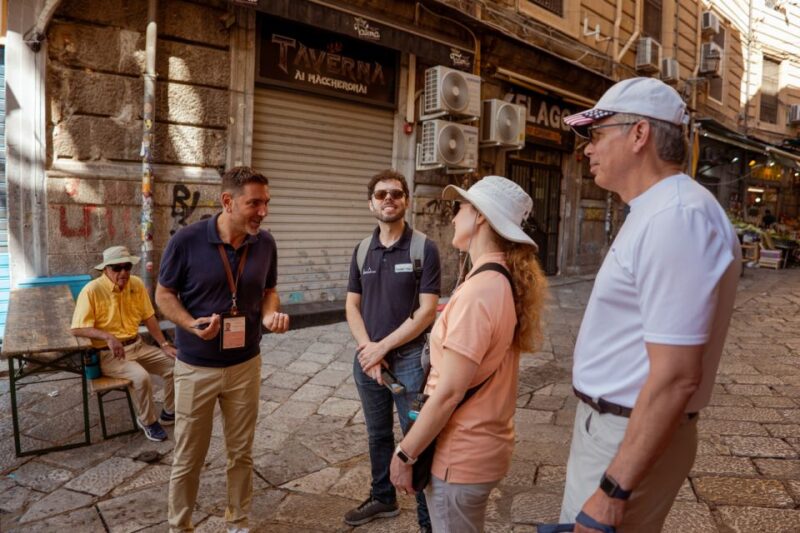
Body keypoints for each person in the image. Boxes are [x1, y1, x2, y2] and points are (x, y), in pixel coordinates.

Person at [556, 77, 741, 532]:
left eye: (597, 135)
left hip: (625, 435)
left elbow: (677, 375)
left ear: (639, 134)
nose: (587, 149)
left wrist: (614, 489)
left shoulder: (676, 218)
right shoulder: (659, 210)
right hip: (617, 428)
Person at [389, 175, 547, 533]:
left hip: (459, 456)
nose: (453, 216)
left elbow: (448, 393)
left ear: (480, 217)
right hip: (480, 447)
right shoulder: (497, 279)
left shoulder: (480, 292)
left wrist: (405, 453)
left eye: (460, 207)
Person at [156, 166, 290, 533]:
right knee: (188, 456)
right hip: (196, 367)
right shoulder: (186, 240)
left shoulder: (266, 243)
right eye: (255, 203)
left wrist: (268, 315)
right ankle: (180, 526)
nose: (263, 211)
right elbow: (164, 294)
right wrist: (189, 324)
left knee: (241, 453)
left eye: (266, 203)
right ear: (228, 201)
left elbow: (269, 291)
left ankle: (237, 522)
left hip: (245, 364)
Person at [343, 169, 441, 532]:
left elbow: (427, 310)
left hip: (410, 362)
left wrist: (382, 347)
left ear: (406, 201)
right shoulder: (362, 250)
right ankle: (383, 496)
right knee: (377, 434)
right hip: (369, 363)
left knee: (416, 437)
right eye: (381, 194)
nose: (389, 199)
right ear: (371, 203)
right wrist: (369, 351)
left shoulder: (423, 248)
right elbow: (352, 305)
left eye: (396, 194)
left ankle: (426, 519)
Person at [71, 245, 176, 442]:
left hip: (137, 345)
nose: (123, 273)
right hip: (111, 354)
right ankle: (148, 421)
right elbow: (77, 328)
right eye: (116, 268)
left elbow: (150, 317)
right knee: (142, 378)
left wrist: (164, 344)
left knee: (175, 366)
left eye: (127, 267)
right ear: (105, 269)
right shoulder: (92, 290)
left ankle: (169, 412)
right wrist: (108, 337)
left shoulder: (135, 284)